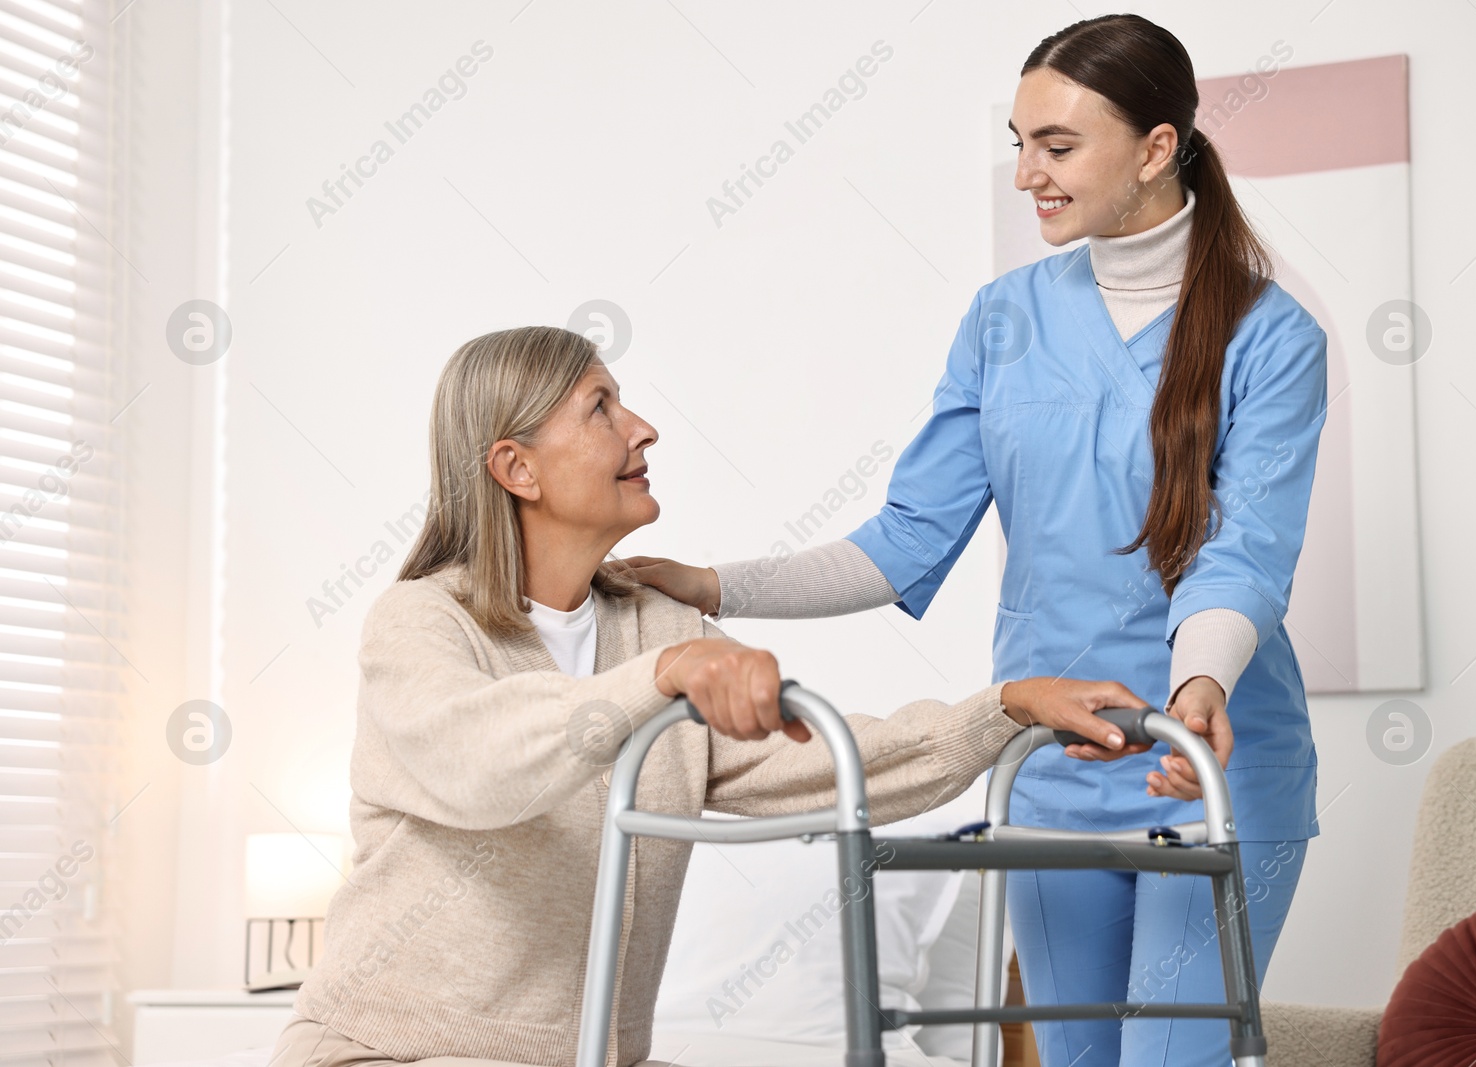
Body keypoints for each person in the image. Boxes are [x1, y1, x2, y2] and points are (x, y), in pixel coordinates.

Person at [624, 14, 1327, 1067]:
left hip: (1207, 765)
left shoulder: (1271, 336)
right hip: (1048, 770)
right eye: (1019, 143)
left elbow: (1244, 552)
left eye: (1056, 146)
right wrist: (716, 583)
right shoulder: (1003, 319)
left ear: (1154, 146)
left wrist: (1197, 692)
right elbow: (906, 538)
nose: (1026, 175)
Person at [266, 325, 1154, 1067]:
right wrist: (655, 683)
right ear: (517, 468)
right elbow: (475, 760)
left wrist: (1006, 706)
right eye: (601, 408)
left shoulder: (659, 627)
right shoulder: (422, 621)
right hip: (383, 1047)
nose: (643, 428)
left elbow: (838, 763)